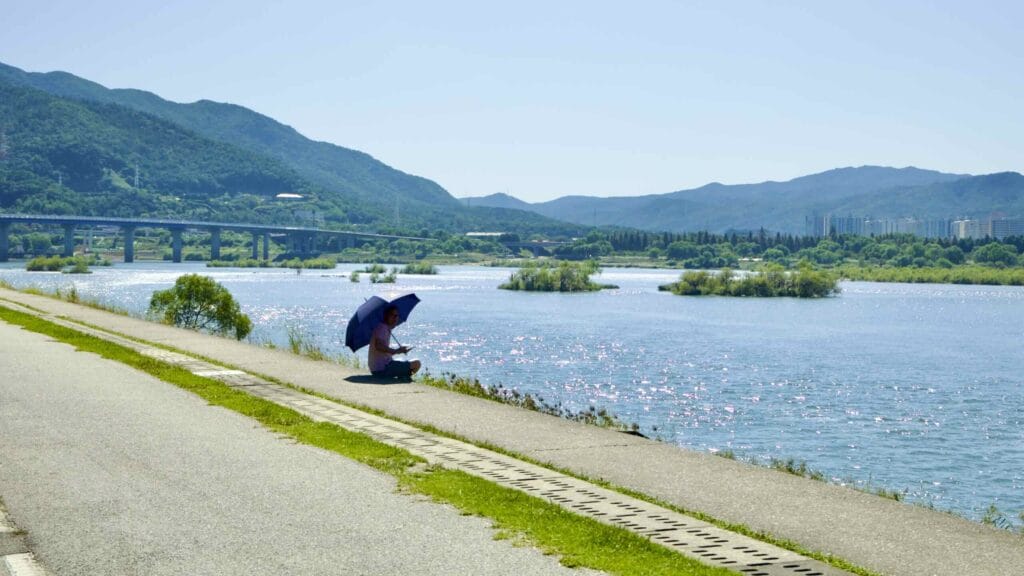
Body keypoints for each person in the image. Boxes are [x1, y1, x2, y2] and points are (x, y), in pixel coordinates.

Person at [368, 305, 421, 380]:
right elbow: (379, 346)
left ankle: (403, 376)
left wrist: (400, 350)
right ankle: (404, 377)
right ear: (386, 316)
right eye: (392, 315)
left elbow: (383, 350)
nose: (395, 318)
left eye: (397, 315)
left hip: (377, 368)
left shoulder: (383, 327)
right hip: (383, 369)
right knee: (417, 363)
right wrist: (396, 351)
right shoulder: (382, 328)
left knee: (401, 360)